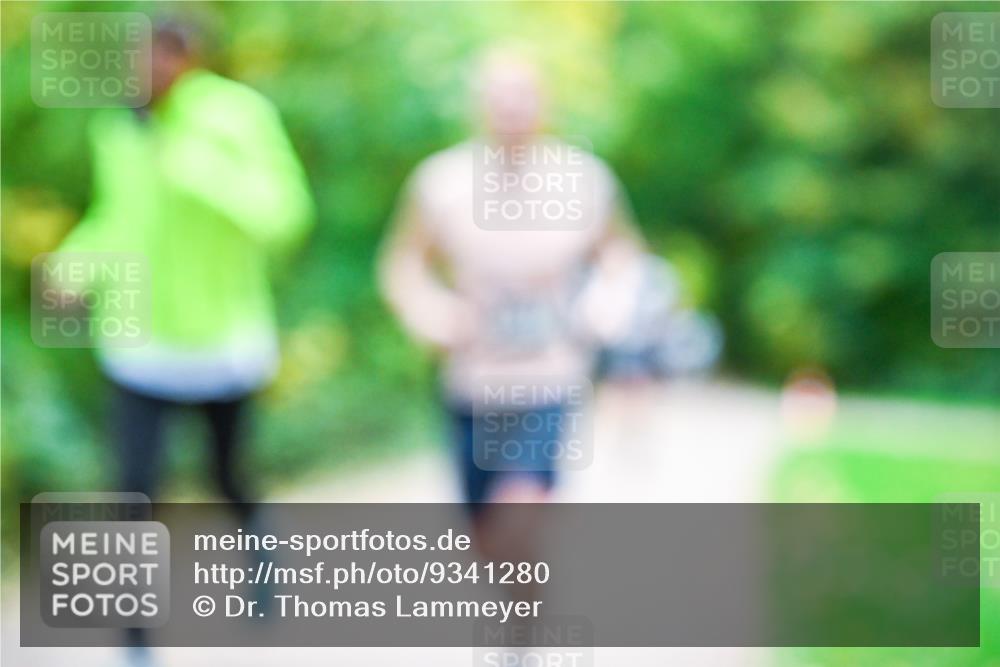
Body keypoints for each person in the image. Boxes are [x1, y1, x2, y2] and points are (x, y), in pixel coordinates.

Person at [50, 20, 313, 666]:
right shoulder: (116, 128)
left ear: (184, 56)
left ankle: (259, 543)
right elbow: (118, 218)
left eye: (152, 55)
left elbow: (285, 215)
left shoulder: (236, 115)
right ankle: (135, 640)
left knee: (225, 474)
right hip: (139, 339)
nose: (139, 69)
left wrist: (196, 170)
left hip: (221, 337)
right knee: (131, 488)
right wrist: (73, 265)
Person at [378, 48, 644, 557]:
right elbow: (402, 264)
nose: (512, 108)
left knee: (521, 510)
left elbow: (621, 254)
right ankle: (517, 610)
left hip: (550, 378)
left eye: (523, 95)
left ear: (545, 101)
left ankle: (519, 622)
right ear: (477, 104)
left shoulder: (584, 180)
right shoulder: (441, 181)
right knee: (484, 533)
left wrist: (608, 302)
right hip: (472, 382)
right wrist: (429, 311)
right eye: (499, 96)